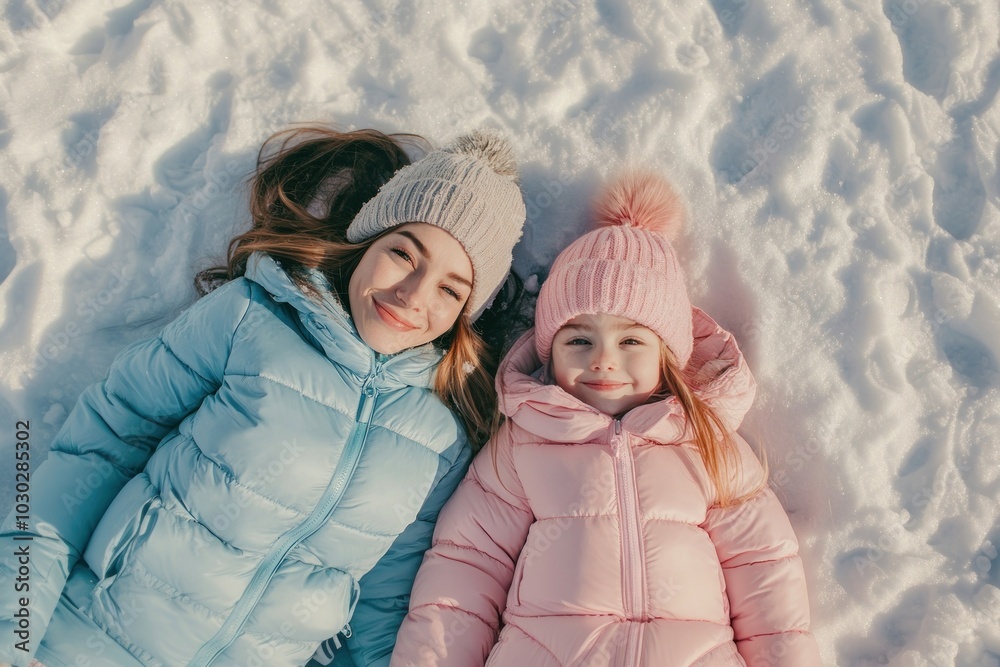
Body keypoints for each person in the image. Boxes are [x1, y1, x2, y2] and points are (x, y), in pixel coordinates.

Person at [0, 125, 527, 667]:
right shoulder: (250, 317)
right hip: (78, 642)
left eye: (450, 288)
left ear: (467, 312)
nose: (413, 296)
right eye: (403, 254)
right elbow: (98, 449)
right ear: (366, 240)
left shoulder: (442, 434)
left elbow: (384, 600)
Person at [391, 173, 822, 666]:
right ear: (549, 353)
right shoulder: (522, 446)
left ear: (668, 354)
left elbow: (763, 572)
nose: (603, 360)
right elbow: (466, 568)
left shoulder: (708, 444)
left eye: (631, 341)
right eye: (578, 340)